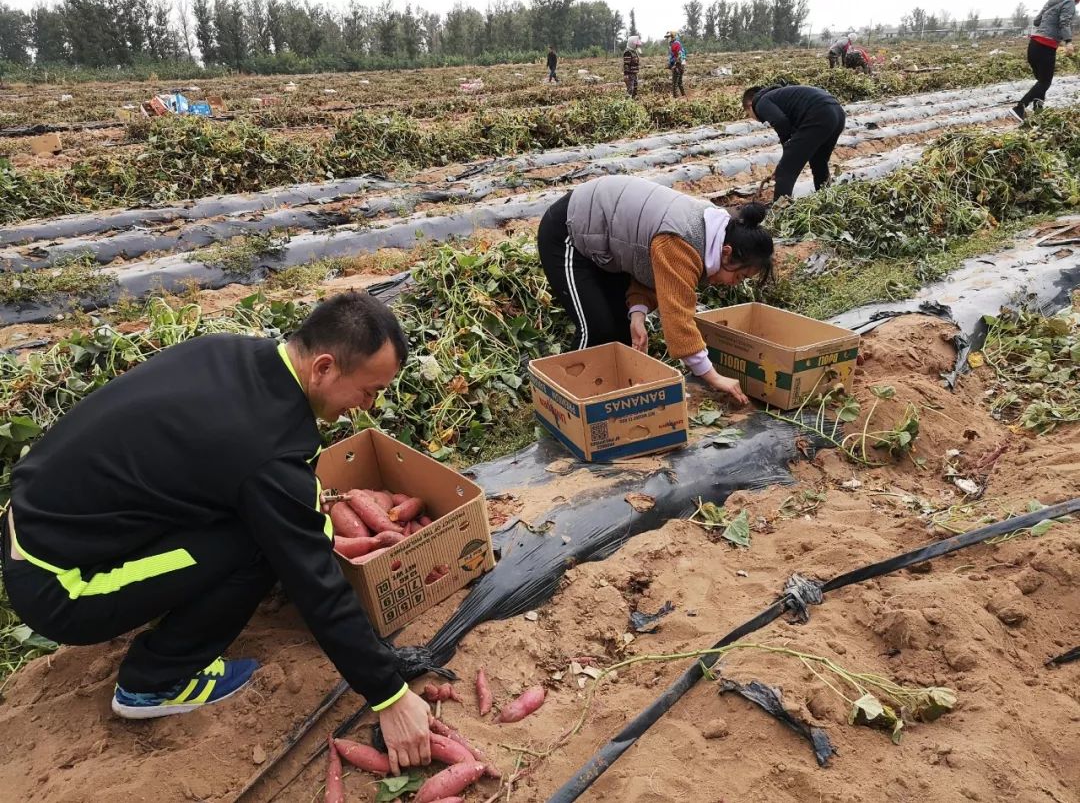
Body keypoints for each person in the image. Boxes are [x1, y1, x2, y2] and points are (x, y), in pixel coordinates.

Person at [1, 292, 432, 775]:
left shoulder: (228, 352)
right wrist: (389, 694)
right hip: (59, 583)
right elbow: (315, 581)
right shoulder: (267, 451)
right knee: (261, 543)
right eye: (369, 390)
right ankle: (155, 682)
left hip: (37, 516)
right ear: (325, 368)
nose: (368, 407)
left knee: (260, 519)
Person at [537, 175, 775, 406]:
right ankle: (562, 408)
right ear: (726, 252)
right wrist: (713, 376)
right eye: (739, 276)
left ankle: (603, 402)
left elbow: (650, 268)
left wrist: (637, 313)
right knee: (596, 330)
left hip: (608, 243)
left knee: (619, 332)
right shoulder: (685, 241)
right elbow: (678, 322)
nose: (735, 283)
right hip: (569, 232)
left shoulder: (710, 234)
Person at [743, 84, 846, 202]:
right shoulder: (779, 95)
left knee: (785, 171)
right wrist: (788, 153)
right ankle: (827, 202)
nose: (752, 118)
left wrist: (787, 152)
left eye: (748, 113)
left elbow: (780, 122)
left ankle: (779, 214)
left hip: (819, 113)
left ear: (750, 105)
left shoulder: (760, 103)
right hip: (837, 113)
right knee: (819, 163)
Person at [1012, 0, 1080, 121]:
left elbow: (1037, 21)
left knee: (1041, 82)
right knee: (1045, 82)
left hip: (1033, 45)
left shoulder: (1052, 0)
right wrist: (1068, 41)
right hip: (1046, 46)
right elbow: (1064, 21)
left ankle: (1038, 110)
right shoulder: (1069, 2)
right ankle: (1019, 107)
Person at [665, 31, 687, 97]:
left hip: (678, 64)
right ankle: (683, 95)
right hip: (681, 64)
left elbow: (679, 55)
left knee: (675, 83)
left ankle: (676, 98)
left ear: (673, 37)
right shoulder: (676, 44)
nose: (668, 39)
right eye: (667, 37)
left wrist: (675, 65)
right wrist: (669, 65)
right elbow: (674, 56)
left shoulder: (675, 44)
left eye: (669, 37)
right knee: (679, 82)